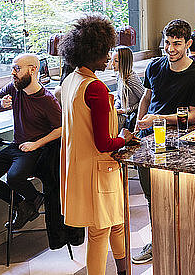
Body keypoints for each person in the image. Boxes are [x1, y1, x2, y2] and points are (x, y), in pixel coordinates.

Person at [58, 14, 138, 275]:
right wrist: (124, 138)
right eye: (104, 52)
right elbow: (104, 143)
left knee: (115, 222)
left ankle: (124, 272)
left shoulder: (70, 82)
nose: (108, 57)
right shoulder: (96, 88)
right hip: (99, 170)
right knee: (101, 230)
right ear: (91, 52)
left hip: (78, 166)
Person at [132, 19, 195, 264]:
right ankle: (157, 241)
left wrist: (159, 119)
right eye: (167, 42)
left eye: (177, 43)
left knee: (178, 197)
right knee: (151, 198)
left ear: (188, 43)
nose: (170, 48)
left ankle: (184, 241)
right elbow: (146, 97)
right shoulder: (154, 67)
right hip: (148, 142)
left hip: (182, 145)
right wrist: (139, 121)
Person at [0, 53, 62, 230]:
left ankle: (33, 201)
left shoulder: (47, 100)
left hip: (35, 149)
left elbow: (62, 128)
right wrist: (0, 103)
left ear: (33, 70)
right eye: (12, 68)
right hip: (17, 145)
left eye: (17, 68)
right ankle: (25, 204)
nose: (13, 73)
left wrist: (36, 144)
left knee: (13, 178)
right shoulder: (15, 88)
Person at [110, 46, 145, 131]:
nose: (112, 64)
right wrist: (114, 109)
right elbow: (119, 98)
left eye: (116, 61)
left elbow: (144, 100)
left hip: (130, 117)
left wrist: (124, 111)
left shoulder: (131, 79)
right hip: (122, 113)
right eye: (112, 60)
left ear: (124, 62)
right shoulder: (119, 75)